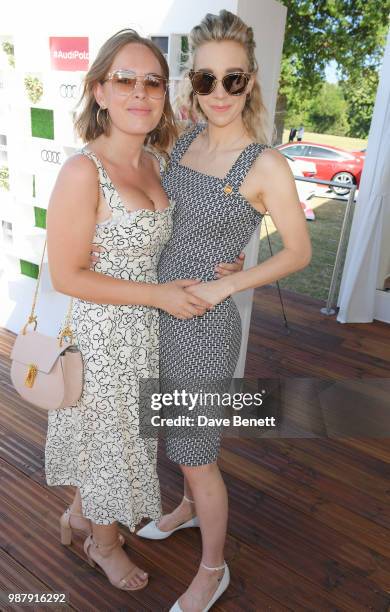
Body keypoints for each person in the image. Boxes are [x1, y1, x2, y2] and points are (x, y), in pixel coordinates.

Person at [45, 28, 243, 595]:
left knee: (117, 440)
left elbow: (182, 234)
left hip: (151, 332)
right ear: (99, 91)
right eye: (124, 80)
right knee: (109, 442)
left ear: (164, 94)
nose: (140, 92)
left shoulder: (159, 161)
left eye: (152, 81)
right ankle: (101, 545)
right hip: (107, 335)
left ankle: (79, 516)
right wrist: (158, 295)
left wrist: (226, 263)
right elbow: (68, 275)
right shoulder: (84, 172)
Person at [136, 10, 312, 612]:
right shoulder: (185, 141)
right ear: (193, 84)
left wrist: (223, 288)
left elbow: (299, 251)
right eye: (205, 80)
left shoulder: (265, 164)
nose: (217, 93)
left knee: (199, 453)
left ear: (251, 81)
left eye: (231, 80)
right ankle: (184, 510)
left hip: (204, 328)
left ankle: (214, 570)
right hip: (158, 310)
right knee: (174, 435)